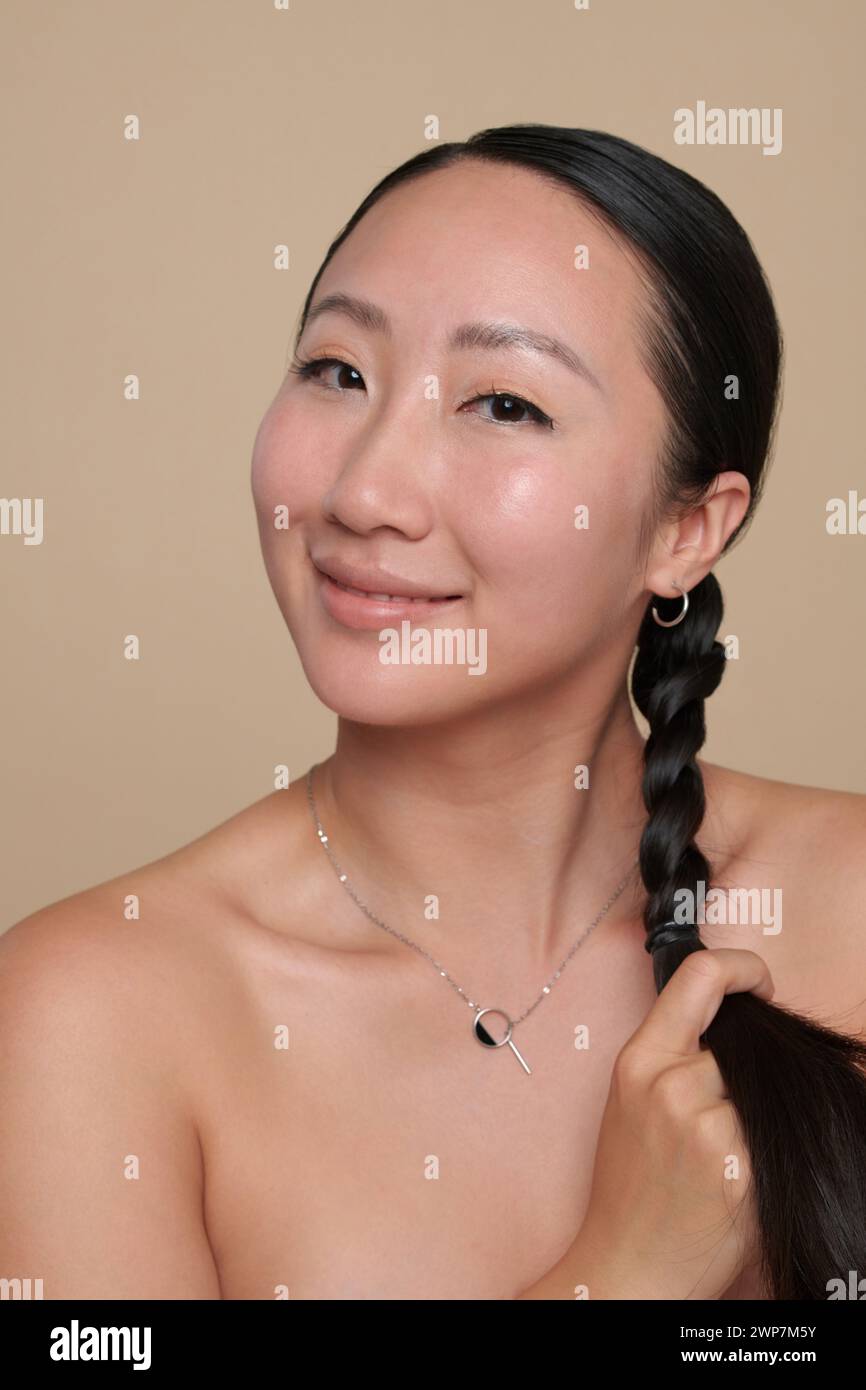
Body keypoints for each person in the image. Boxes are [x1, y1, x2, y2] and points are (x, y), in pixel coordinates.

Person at [2, 125, 865, 1302]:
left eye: (502, 403)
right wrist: (622, 1273)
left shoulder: (849, 904)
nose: (363, 491)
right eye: (337, 371)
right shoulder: (86, 1011)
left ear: (685, 530)